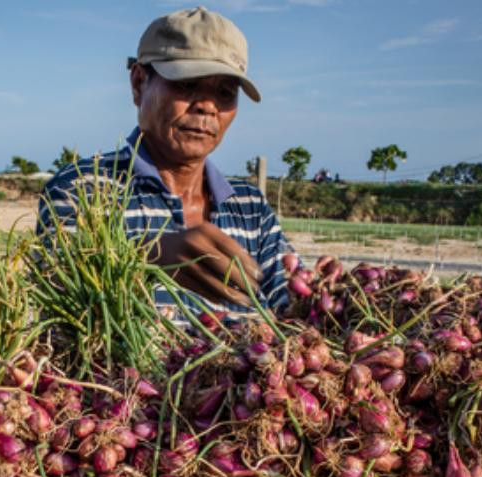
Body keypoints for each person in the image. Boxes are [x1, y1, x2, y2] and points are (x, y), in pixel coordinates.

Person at [37, 6, 297, 317]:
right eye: (187, 85)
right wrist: (150, 254)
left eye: (225, 93)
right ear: (139, 83)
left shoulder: (250, 207)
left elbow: (292, 308)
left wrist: (339, 292)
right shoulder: (82, 189)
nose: (206, 107)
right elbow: (58, 285)